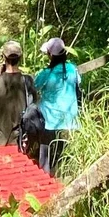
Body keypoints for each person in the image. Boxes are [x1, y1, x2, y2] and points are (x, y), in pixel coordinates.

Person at [33, 37, 81, 174]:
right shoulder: (72, 69)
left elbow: (35, 86)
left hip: (49, 119)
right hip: (69, 118)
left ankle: (44, 173)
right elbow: (78, 82)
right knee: (64, 152)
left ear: (50, 55)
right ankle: (64, 174)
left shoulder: (46, 73)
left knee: (45, 150)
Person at [0, 40, 34, 147]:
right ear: (20, 58)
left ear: (4, 57)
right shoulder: (28, 81)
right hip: (21, 138)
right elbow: (34, 105)